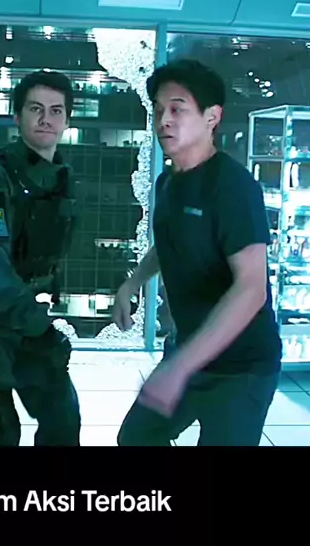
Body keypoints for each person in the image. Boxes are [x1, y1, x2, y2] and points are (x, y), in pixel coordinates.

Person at [114, 59, 282, 446]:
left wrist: (179, 368)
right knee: (136, 438)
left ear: (212, 117)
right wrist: (133, 282)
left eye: (177, 109)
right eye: (159, 110)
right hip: (189, 350)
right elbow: (170, 242)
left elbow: (251, 288)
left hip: (240, 366)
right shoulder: (168, 182)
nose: (164, 121)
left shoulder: (233, 186)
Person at [0, 70, 81, 446]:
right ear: (17, 116)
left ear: (67, 120)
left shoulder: (62, 178)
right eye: (36, 109)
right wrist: (36, 321)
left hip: (27, 319)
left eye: (56, 111)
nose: (46, 119)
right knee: (0, 433)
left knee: (63, 421)